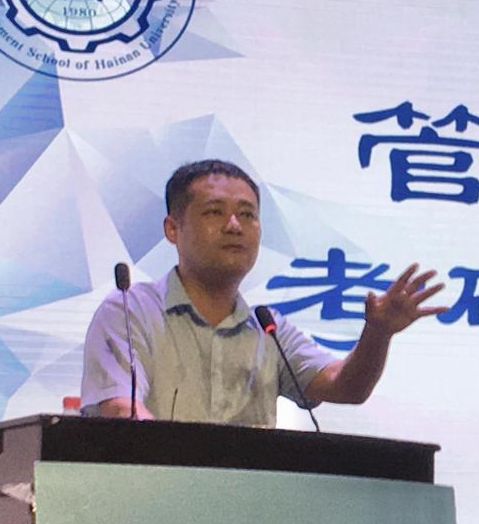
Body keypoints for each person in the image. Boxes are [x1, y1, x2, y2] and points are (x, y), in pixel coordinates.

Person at [80, 159, 444, 426]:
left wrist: (377, 334)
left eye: (247, 214)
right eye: (214, 212)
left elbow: (345, 387)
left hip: (251, 504)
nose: (234, 226)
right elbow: (120, 409)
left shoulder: (268, 330)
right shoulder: (129, 311)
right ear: (173, 229)